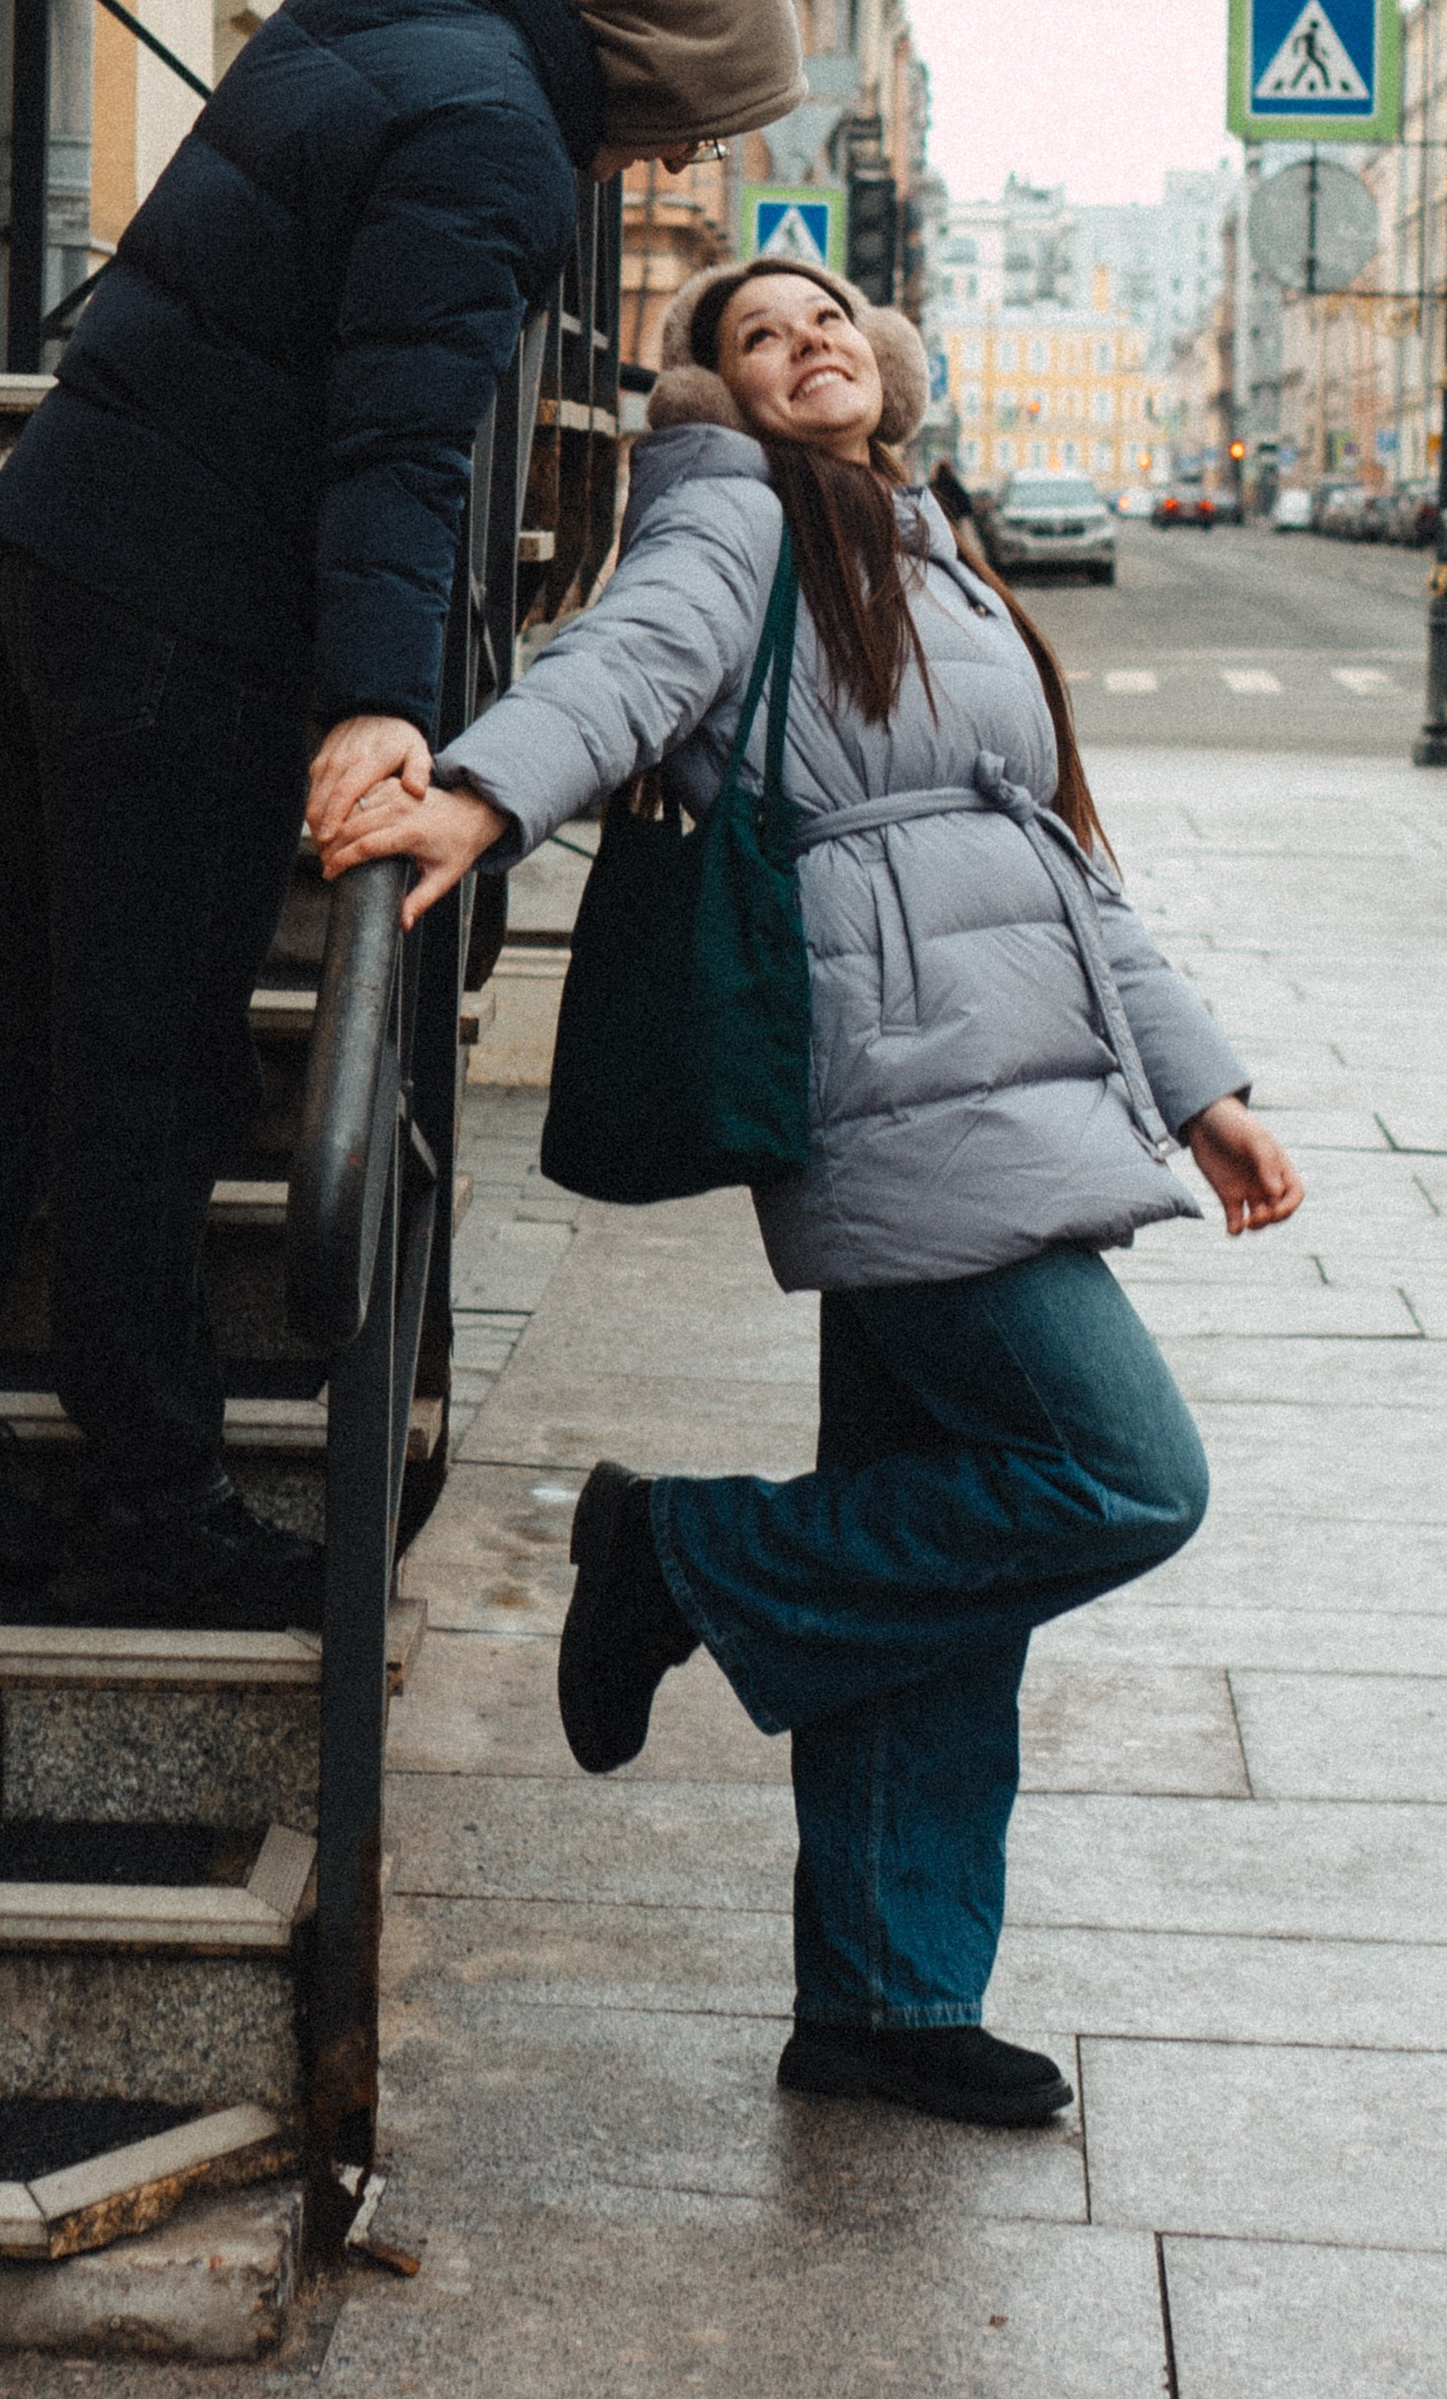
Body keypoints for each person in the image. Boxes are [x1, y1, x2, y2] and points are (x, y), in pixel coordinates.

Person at [321, 257, 1302, 2129]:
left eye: (830, 318)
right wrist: (477, 793)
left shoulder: (924, 535)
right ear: (718, 394)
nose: (807, 344)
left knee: (941, 1588)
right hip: (905, 1098)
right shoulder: (733, 515)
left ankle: (884, 1998)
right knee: (1123, 1478)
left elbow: (1060, 853)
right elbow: (628, 668)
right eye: (756, 337)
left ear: (888, 359)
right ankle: (679, 1553)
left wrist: (1205, 1091)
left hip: (1011, 1089)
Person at [0, 0, 804, 1625]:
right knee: (151, 1065)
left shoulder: (375, 10)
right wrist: (381, 703)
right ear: (653, 71)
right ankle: (148, 1503)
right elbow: (397, 447)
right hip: (176, 618)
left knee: (31, 1011)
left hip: (57, 547)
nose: (667, 168)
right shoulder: (494, 142)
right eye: (692, 130)